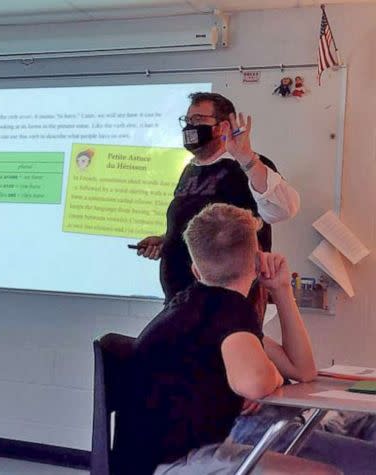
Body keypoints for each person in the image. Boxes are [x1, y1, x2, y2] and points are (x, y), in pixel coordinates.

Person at [125, 203, 338, 475]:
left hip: (164, 457)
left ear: (196, 271)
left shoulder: (195, 309)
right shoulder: (229, 309)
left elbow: (302, 370)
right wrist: (268, 373)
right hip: (177, 463)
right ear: (257, 262)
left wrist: (282, 290)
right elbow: (254, 383)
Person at [136, 92, 300, 321]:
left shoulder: (245, 166)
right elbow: (199, 228)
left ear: (222, 127)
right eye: (186, 121)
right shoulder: (190, 170)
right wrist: (167, 240)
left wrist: (247, 159)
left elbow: (283, 209)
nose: (189, 127)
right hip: (180, 302)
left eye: (197, 120)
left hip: (225, 309)